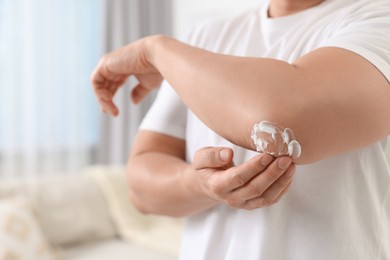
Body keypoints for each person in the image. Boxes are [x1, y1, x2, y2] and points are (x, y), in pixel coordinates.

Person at [91, 0, 390, 259]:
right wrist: (204, 186)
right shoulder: (205, 37)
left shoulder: (378, 20)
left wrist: (155, 50)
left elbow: (281, 119)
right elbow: (140, 188)